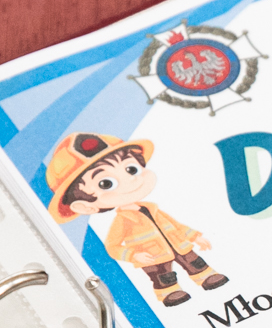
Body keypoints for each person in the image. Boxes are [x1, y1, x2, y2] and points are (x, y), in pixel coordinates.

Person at [47, 131, 230, 307]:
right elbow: (112, 246)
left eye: (131, 169)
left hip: (180, 245)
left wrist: (196, 236)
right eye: (106, 183)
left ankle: (206, 277)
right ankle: (169, 293)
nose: (130, 181)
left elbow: (176, 225)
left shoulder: (152, 208)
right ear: (85, 206)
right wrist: (134, 255)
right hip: (152, 257)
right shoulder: (122, 220)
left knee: (195, 262)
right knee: (163, 277)